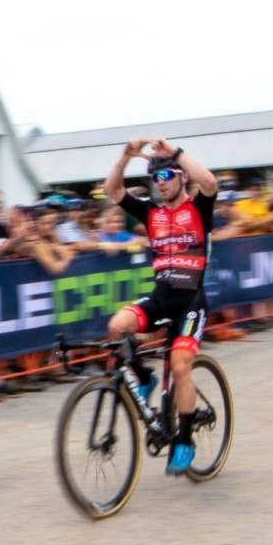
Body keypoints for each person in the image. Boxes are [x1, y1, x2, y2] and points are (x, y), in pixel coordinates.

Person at [103, 138, 218, 476]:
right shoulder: (150, 212)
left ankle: (184, 439)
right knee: (116, 327)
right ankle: (144, 377)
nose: (162, 181)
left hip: (191, 301)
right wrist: (125, 156)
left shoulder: (198, 208)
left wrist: (176, 154)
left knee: (181, 367)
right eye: (157, 177)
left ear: (182, 177)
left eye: (168, 174)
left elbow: (210, 182)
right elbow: (112, 190)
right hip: (161, 295)